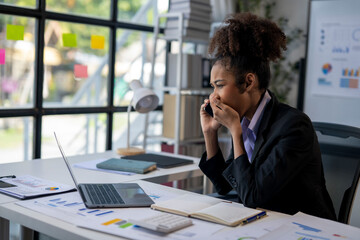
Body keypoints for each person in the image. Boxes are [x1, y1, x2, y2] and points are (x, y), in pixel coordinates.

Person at [199, 12, 336, 220]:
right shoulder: (245, 120)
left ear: (248, 82)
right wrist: (210, 134)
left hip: (303, 228)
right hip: (265, 222)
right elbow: (226, 186)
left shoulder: (294, 127)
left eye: (219, 85)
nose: (213, 95)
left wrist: (236, 132)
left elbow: (254, 197)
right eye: (212, 87)